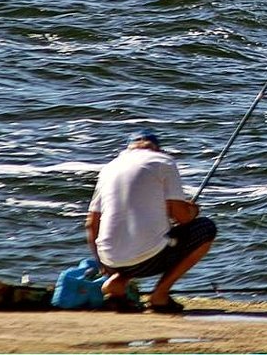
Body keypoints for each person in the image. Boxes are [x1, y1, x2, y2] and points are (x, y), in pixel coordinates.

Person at [85, 130, 217, 314]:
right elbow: (183, 217)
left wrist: (103, 264)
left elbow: (91, 223)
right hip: (148, 260)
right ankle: (160, 295)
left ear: (129, 149)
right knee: (206, 228)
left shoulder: (109, 168)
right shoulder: (163, 161)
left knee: (134, 242)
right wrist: (193, 209)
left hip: (110, 260)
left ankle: (118, 280)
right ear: (156, 148)